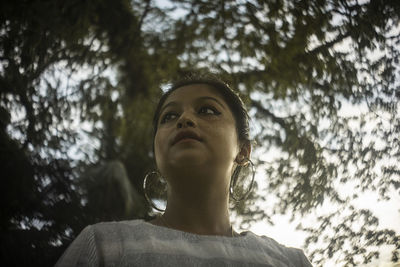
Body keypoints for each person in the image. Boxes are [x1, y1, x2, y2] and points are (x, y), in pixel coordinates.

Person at [55, 73, 313, 266]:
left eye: (207, 110)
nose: (184, 119)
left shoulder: (290, 262)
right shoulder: (102, 245)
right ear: (157, 151)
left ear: (243, 150)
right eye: (168, 117)